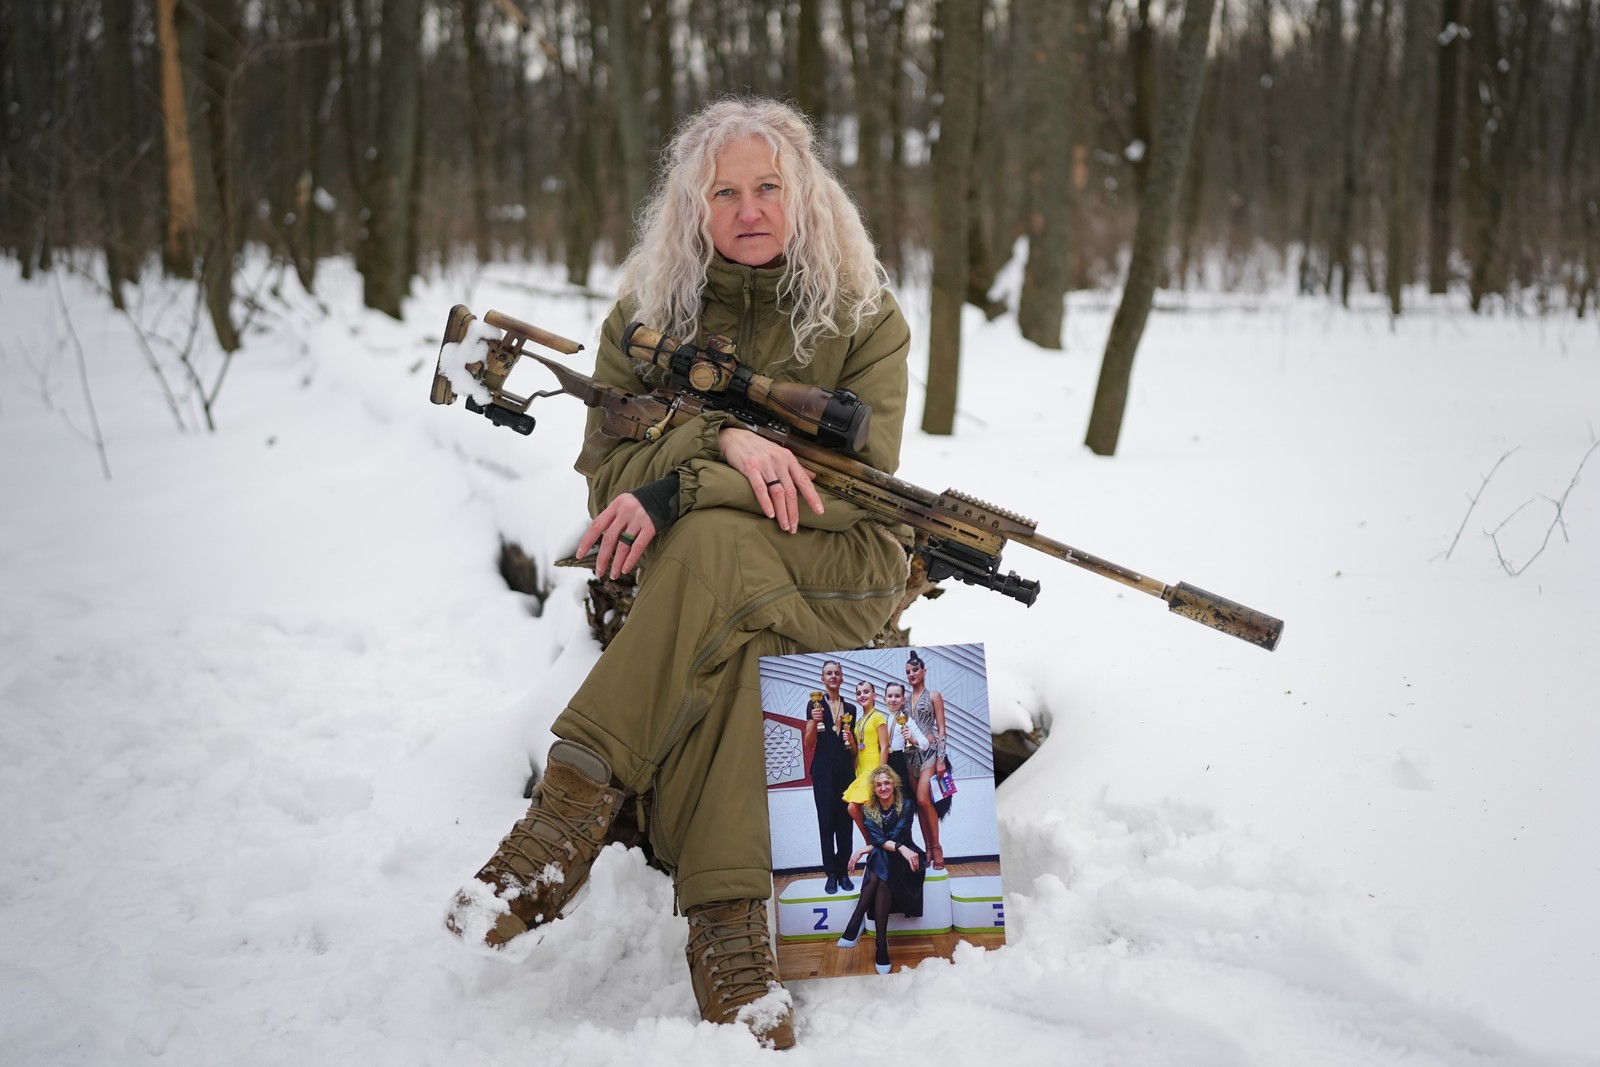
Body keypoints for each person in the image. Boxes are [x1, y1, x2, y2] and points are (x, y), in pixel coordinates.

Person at [443, 97, 910, 1050]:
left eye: (768, 187)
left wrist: (683, 483)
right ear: (691, 209)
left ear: (805, 194)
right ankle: (730, 930)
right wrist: (727, 444)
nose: (748, 210)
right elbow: (607, 476)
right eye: (724, 192)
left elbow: (861, 496)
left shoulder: (867, 315)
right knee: (725, 595)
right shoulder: (645, 318)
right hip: (710, 576)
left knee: (704, 546)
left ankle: (562, 821)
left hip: (846, 564)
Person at [836, 765, 925, 974]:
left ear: (894, 783)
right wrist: (875, 846)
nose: (883, 787)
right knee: (882, 860)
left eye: (887, 782)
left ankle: (856, 922)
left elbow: (896, 836)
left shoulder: (907, 805)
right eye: (878, 784)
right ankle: (881, 944)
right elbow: (879, 840)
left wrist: (864, 849)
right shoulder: (868, 809)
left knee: (879, 854)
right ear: (874, 789)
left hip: (909, 859)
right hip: (890, 856)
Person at [802, 661, 857, 895]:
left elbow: (853, 749)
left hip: (845, 773)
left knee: (845, 823)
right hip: (823, 773)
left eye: (837, 673)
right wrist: (814, 721)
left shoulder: (851, 709)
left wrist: (852, 740)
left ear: (842, 679)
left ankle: (844, 872)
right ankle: (831, 874)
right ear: (822, 679)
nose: (833, 676)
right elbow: (809, 743)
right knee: (826, 823)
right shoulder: (814, 705)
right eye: (828, 673)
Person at [903, 650, 952, 868]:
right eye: (908, 672)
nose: (911, 674)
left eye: (915, 670)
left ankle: (938, 847)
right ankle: (928, 849)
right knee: (919, 805)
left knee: (924, 798)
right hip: (910, 756)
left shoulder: (934, 696)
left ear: (924, 671)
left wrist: (941, 759)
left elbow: (941, 729)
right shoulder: (904, 699)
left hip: (931, 753)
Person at [880, 680, 928, 822]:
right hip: (886, 763)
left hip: (900, 764)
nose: (893, 699)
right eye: (890, 696)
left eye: (897, 696)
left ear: (903, 699)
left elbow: (925, 743)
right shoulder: (883, 719)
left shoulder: (907, 720)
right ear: (884, 699)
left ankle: (905, 841)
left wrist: (912, 740)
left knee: (903, 805)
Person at [840, 679, 890, 811]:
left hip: (874, 768)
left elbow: (885, 746)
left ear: (874, 696)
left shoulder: (878, 717)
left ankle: (872, 833)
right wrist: (851, 741)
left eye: (866, 692)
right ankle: (870, 833)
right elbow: (856, 751)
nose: (862, 695)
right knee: (864, 811)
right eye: (859, 693)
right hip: (861, 768)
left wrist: (881, 773)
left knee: (854, 808)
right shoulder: (858, 722)